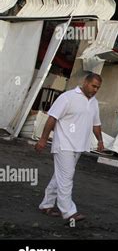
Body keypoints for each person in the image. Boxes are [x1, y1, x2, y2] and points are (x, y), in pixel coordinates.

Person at [35, 73, 104, 222]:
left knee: (59, 176)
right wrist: (43, 139)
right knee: (66, 177)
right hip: (63, 144)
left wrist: (100, 141)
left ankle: (46, 205)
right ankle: (68, 212)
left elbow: (96, 124)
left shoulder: (94, 103)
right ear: (85, 82)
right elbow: (52, 118)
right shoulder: (67, 97)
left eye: (98, 87)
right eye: (93, 86)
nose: (95, 90)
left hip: (79, 146)